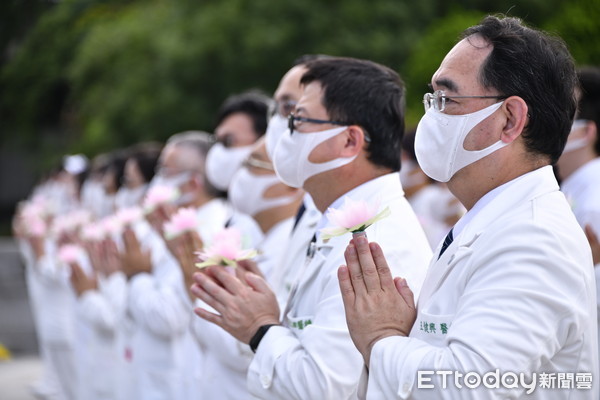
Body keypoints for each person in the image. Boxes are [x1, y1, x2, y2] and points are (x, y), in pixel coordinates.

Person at [339, 16, 598, 399]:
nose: (431, 116)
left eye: (447, 99)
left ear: (509, 119)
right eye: (432, 99)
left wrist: (381, 340)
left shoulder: (533, 239)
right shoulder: (488, 220)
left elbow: (469, 388)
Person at [191, 56, 432, 398]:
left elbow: (324, 385)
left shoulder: (369, 240)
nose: (284, 132)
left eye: (299, 119)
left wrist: (260, 328)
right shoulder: (339, 221)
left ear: (350, 141)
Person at [190, 138, 304, 399]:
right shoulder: (257, 237)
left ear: (289, 184)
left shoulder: (292, 247)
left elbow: (244, 346)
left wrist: (203, 293)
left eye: (252, 165)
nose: (240, 176)